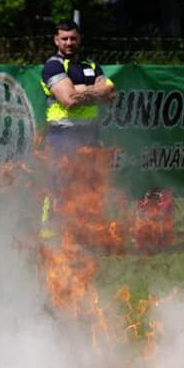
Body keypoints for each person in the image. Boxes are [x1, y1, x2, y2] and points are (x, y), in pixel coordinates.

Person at [38, 20, 116, 238]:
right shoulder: (53, 66)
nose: (69, 42)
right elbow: (68, 100)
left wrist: (79, 90)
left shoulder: (91, 66)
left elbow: (110, 93)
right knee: (58, 186)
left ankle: (79, 235)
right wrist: (93, 91)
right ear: (56, 40)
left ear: (79, 39)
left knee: (88, 186)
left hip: (89, 136)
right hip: (61, 135)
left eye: (73, 38)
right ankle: (50, 233)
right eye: (64, 38)